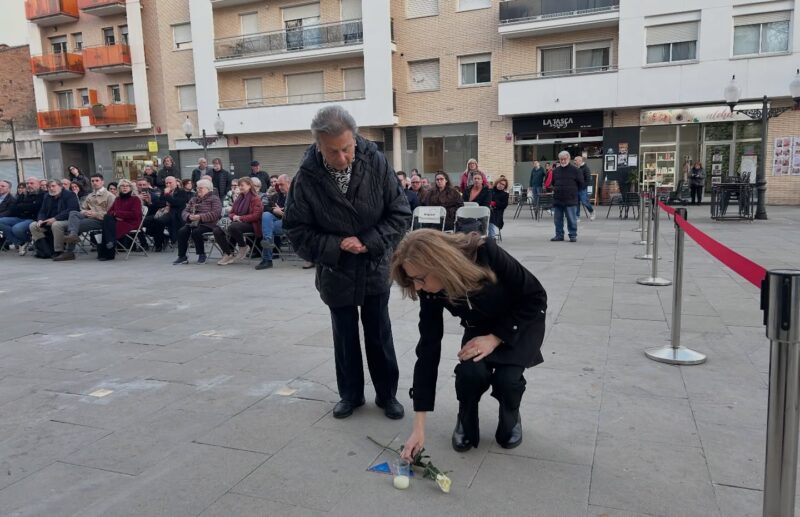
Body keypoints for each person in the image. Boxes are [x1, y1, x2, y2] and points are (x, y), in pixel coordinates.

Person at [283, 105, 411, 420]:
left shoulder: (376, 162)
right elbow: (296, 230)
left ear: (354, 138)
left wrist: (367, 241)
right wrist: (336, 244)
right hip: (336, 268)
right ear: (317, 145)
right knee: (344, 336)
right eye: (332, 152)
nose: (341, 158)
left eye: (346, 149)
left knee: (379, 332)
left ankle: (387, 395)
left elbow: (400, 214)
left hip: (373, 264)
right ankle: (350, 395)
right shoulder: (307, 176)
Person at [391, 230, 547, 457]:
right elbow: (428, 349)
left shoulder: (486, 253)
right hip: (480, 327)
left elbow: (536, 297)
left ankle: (510, 412)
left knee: (507, 380)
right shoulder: (430, 291)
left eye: (419, 279)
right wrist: (419, 427)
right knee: (470, 373)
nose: (417, 288)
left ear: (439, 265)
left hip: (520, 321)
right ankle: (466, 415)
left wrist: (495, 338)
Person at [52, 173, 115, 261]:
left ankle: (69, 251)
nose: (94, 183)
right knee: (72, 214)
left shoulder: (110, 196)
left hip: (100, 221)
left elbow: (110, 214)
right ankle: (69, 239)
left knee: (74, 225)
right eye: (92, 181)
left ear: (102, 182)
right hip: (87, 218)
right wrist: (85, 212)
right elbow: (82, 209)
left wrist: (95, 214)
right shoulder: (90, 195)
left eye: (97, 180)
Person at [173, 179, 222, 265]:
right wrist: (189, 216)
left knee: (196, 232)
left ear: (208, 189)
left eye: (201, 188)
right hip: (193, 222)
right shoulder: (194, 199)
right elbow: (185, 211)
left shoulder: (214, 199)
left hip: (209, 224)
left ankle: (201, 254)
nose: (198, 190)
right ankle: (182, 256)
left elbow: (215, 214)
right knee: (182, 231)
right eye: (197, 188)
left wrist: (200, 217)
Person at [216, 177, 263, 266]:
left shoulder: (255, 198)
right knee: (217, 228)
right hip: (237, 222)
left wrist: (240, 218)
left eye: (242, 185)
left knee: (232, 227)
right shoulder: (239, 198)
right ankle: (228, 253)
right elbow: (231, 212)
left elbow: (256, 216)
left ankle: (243, 246)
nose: (240, 187)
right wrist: (234, 216)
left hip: (251, 224)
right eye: (239, 185)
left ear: (249, 186)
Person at [29, 180, 80, 259]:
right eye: (49, 187)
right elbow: (42, 211)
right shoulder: (47, 196)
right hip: (49, 221)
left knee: (56, 224)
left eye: (53, 186)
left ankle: (58, 251)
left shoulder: (70, 195)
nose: (51, 188)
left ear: (60, 186)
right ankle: (45, 251)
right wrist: (40, 220)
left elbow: (72, 209)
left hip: (67, 220)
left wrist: (55, 219)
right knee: (33, 225)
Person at [97, 179, 142, 261]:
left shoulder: (135, 199)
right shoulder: (118, 199)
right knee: (107, 218)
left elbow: (135, 214)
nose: (125, 188)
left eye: (127, 186)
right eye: (122, 186)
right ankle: (110, 245)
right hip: (118, 221)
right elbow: (110, 212)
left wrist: (117, 214)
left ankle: (107, 252)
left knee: (107, 227)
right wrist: (116, 215)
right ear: (119, 188)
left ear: (130, 188)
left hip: (131, 222)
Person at [145, 175, 191, 251]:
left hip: (175, 214)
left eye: (170, 183)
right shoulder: (164, 191)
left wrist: (167, 196)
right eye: (166, 183)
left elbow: (177, 203)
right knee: (146, 221)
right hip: (163, 212)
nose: (168, 185)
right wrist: (150, 202)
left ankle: (158, 245)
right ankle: (163, 237)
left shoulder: (181, 192)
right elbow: (160, 203)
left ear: (176, 183)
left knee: (159, 221)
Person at [0, 177, 41, 255]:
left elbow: (36, 207)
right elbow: (14, 208)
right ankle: (21, 243)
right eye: (27, 183)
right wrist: (27, 206)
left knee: (17, 228)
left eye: (31, 183)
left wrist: (23, 206)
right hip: (20, 217)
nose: (29, 185)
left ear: (38, 184)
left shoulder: (42, 194)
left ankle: (26, 242)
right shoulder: (23, 194)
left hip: (33, 219)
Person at [255, 174, 288, 270]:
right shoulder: (277, 196)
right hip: (277, 222)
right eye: (279, 185)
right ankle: (268, 241)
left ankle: (267, 260)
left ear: (289, 183)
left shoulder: (296, 195)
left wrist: (282, 213)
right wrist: (274, 210)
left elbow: (298, 214)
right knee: (266, 215)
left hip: (290, 222)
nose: (279, 187)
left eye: (282, 184)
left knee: (267, 228)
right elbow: (265, 207)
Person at [550, 151, 584, 243]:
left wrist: (573, 192)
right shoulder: (555, 171)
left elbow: (581, 184)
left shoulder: (576, 170)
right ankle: (559, 235)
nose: (563, 161)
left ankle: (573, 235)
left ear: (569, 159)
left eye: (565, 159)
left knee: (571, 219)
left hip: (570, 199)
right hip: (558, 199)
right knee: (557, 220)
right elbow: (553, 183)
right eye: (561, 159)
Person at [574, 156, 596, 221]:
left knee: (585, 202)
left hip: (582, 189)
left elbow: (588, 179)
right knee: (576, 203)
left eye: (575, 160)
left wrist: (583, 187)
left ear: (580, 161)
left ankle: (592, 212)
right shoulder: (575, 168)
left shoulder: (586, 168)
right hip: (575, 189)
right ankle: (577, 216)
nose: (574, 162)